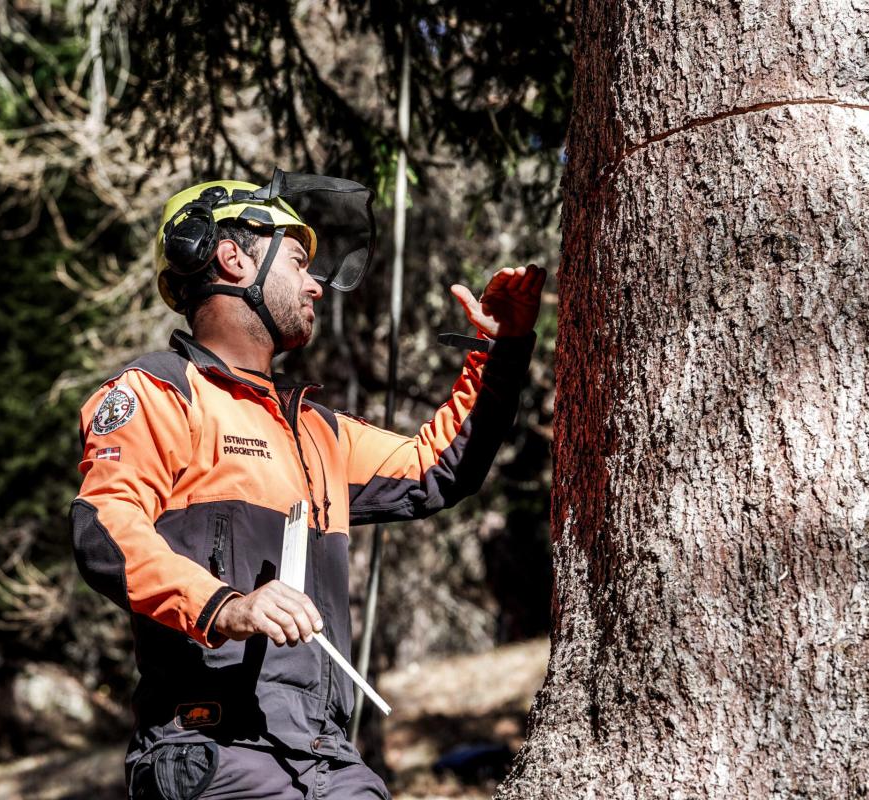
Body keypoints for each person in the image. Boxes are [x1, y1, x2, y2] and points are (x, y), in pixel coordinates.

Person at [70, 170, 545, 800]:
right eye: (299, 260)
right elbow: (105, 528)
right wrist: (225, 605)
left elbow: (439, 467)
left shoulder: (317, 431)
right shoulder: (160, 394)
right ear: (232, 258)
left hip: (325, 755)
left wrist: (500, 347)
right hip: (214, 752)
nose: (317, 286)